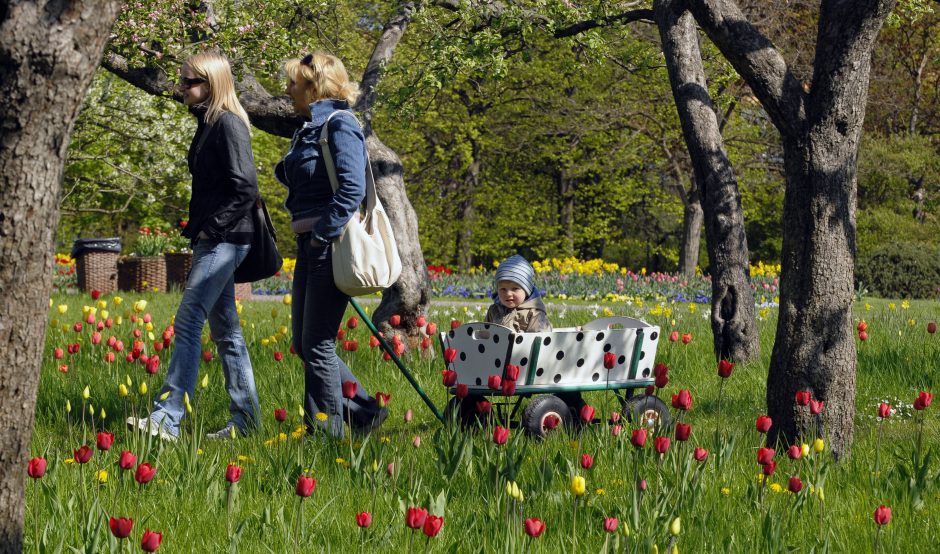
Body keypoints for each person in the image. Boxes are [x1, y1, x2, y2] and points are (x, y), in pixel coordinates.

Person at [127, 52, 261, 441]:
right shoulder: (207, 124)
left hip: (226, 239)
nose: (181, 88)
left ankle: (167, 418)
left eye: (189, 82)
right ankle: (246, 421)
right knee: (227, 333)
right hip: (214, 237)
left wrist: (212, 229)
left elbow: (246, 187)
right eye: (182, 81)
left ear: (212, 83)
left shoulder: (228, 124)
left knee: (187, 323)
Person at [277, 51, 387, 438]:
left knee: (318, 345)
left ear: (313, 85)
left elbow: (353, 188)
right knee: (303, 342)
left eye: (293, 83)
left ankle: (326, 433)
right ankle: (364, 411)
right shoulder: (308, 128)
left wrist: (323, 234)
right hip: (309, 243)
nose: (288, 90)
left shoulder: (341, 125)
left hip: (328, 244)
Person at [485, 254, 552, 333]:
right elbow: (485, 333)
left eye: (515, 288)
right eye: (503, 289)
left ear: (527, 291)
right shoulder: (494, 310)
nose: (508, 294)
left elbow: (539, 338)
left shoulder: (534, 313)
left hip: (524, 345)